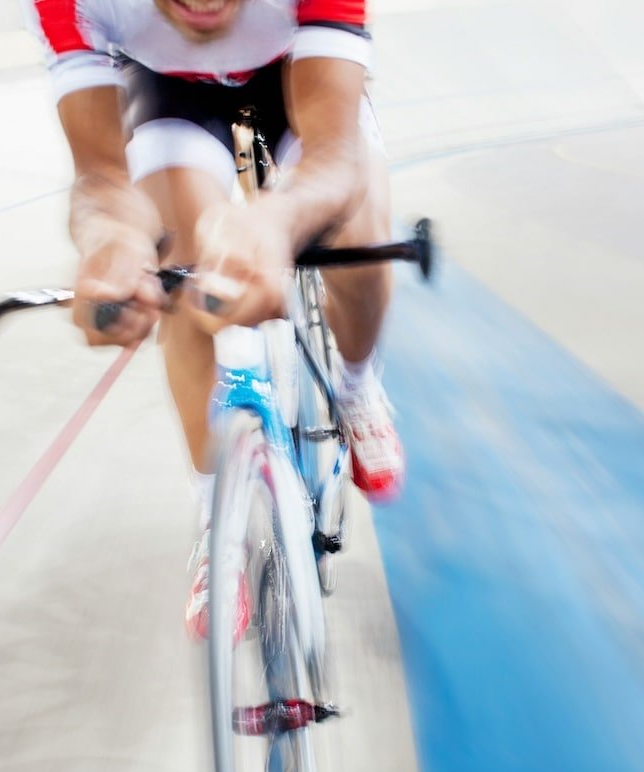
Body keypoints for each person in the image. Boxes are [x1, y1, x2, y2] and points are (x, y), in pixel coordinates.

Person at [25, 0, 402, 638]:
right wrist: (110, 244)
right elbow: (100, 181)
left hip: (298, 67)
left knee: (357, 241)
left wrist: (275, 221)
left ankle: (358, 385)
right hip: (168, 89)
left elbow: (333, 159)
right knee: (184, 276)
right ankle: (214, 510)